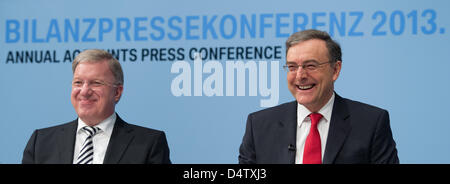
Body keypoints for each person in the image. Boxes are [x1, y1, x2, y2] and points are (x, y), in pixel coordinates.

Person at [239, 29, 399, 164]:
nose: (300, 75)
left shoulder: (371, 123)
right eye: (292, 67)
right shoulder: (259, 126)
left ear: (335, 70)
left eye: (310, 65)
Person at [22, 49, 171, 164]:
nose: (84, 91)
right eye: (78, 83)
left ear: (117, 92)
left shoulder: (149, 143)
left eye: (96, 83)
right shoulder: (41, 142)